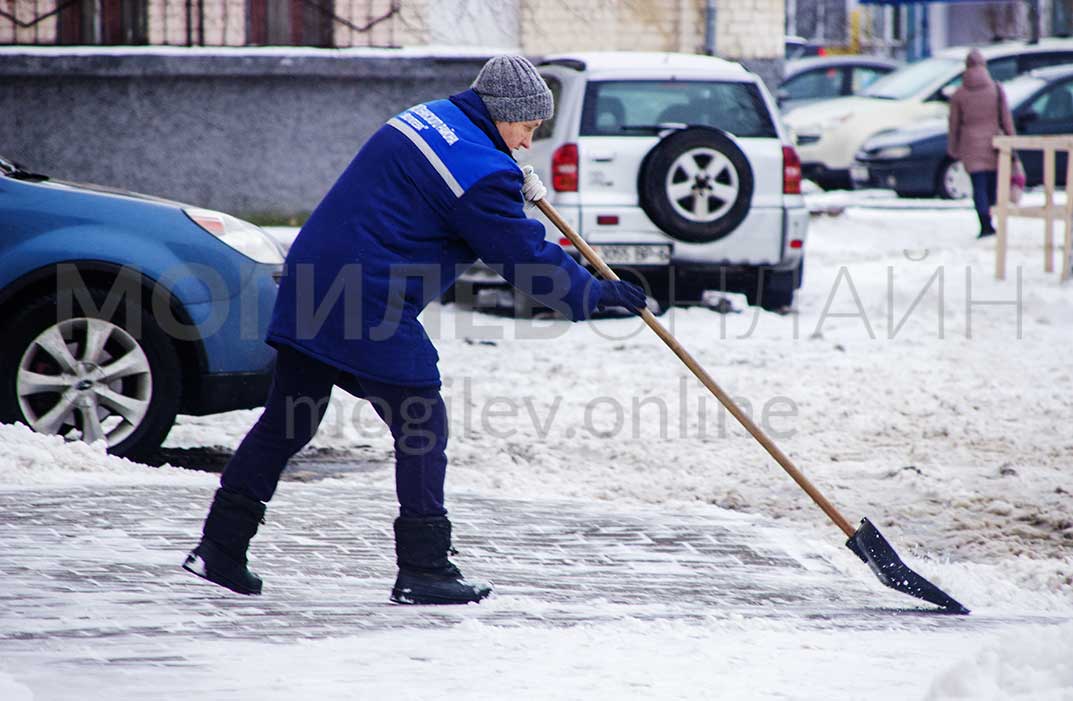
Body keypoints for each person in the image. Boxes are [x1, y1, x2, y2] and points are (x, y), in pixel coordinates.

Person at [182, 55, 646, 605]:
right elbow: (522, 257)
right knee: (422, 422)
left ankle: (220, 546)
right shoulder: (481, 174)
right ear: (503, 114)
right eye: (527, 128)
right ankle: (424, 568)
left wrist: (505, 180)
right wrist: (594, 293)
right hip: (364, 298)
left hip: (312, 277)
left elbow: (444, 188)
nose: (526, 144)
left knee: (289, 420)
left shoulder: (425, 118)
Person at [947, 48, 1016, 238]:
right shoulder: (996, 89)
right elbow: (1006, 119)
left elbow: (954, 124)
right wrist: (1012, 141)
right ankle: (992, 216)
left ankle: (984, 223)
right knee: (992, 184)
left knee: (978, 186)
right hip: (993, 143)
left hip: (970, 145)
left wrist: (953, 148)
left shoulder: (959, 94)